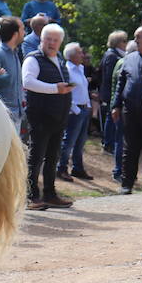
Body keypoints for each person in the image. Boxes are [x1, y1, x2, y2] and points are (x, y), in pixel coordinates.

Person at [22, 23, 75, 210]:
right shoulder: (33, 59)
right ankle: (29, 196)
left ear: (60, 42)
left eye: (55, 40)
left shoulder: (59, 59)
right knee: (36, 157)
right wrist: (55, 89)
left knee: (53, 157)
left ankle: (50, 194)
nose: (52, 43)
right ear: (41, 40)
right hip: (41, 115)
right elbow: (27, 82)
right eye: (48, 39)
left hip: (58, 117)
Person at [112, 25, 142, 194]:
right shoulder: (129, 58)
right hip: (130, 110)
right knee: (130, 148)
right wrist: (116, 105)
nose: (135, 40)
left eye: (139, 37)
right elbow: (120, 84)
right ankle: (127, 183)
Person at [57, 42, 93, 180]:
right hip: (75, 111)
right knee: (69, 141)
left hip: (84, 109)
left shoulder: (80, 69)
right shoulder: (68, 70)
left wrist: (88, 105)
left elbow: (82, 88)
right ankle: (62, 168)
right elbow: (67, 91)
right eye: (79, 52)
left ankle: (78, 168)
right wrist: (76, 109)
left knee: (80, 142)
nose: (82, 55)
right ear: (71, 55)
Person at [0, 16, 24, 132]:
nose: (24, 33)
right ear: (15, 34)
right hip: (5, 115)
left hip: (17, 114)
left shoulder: (15, 52)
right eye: (22, 29)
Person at [99, 30, 127, 162]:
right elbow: (110, 76)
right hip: (109, 91)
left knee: (110, 117)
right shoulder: (111, 55)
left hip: (110, 91)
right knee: (110, 118)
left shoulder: (114, 54)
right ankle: (108, 143)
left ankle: (108, 141)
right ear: (118, 42)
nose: (126, 43)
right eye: (124, 41)